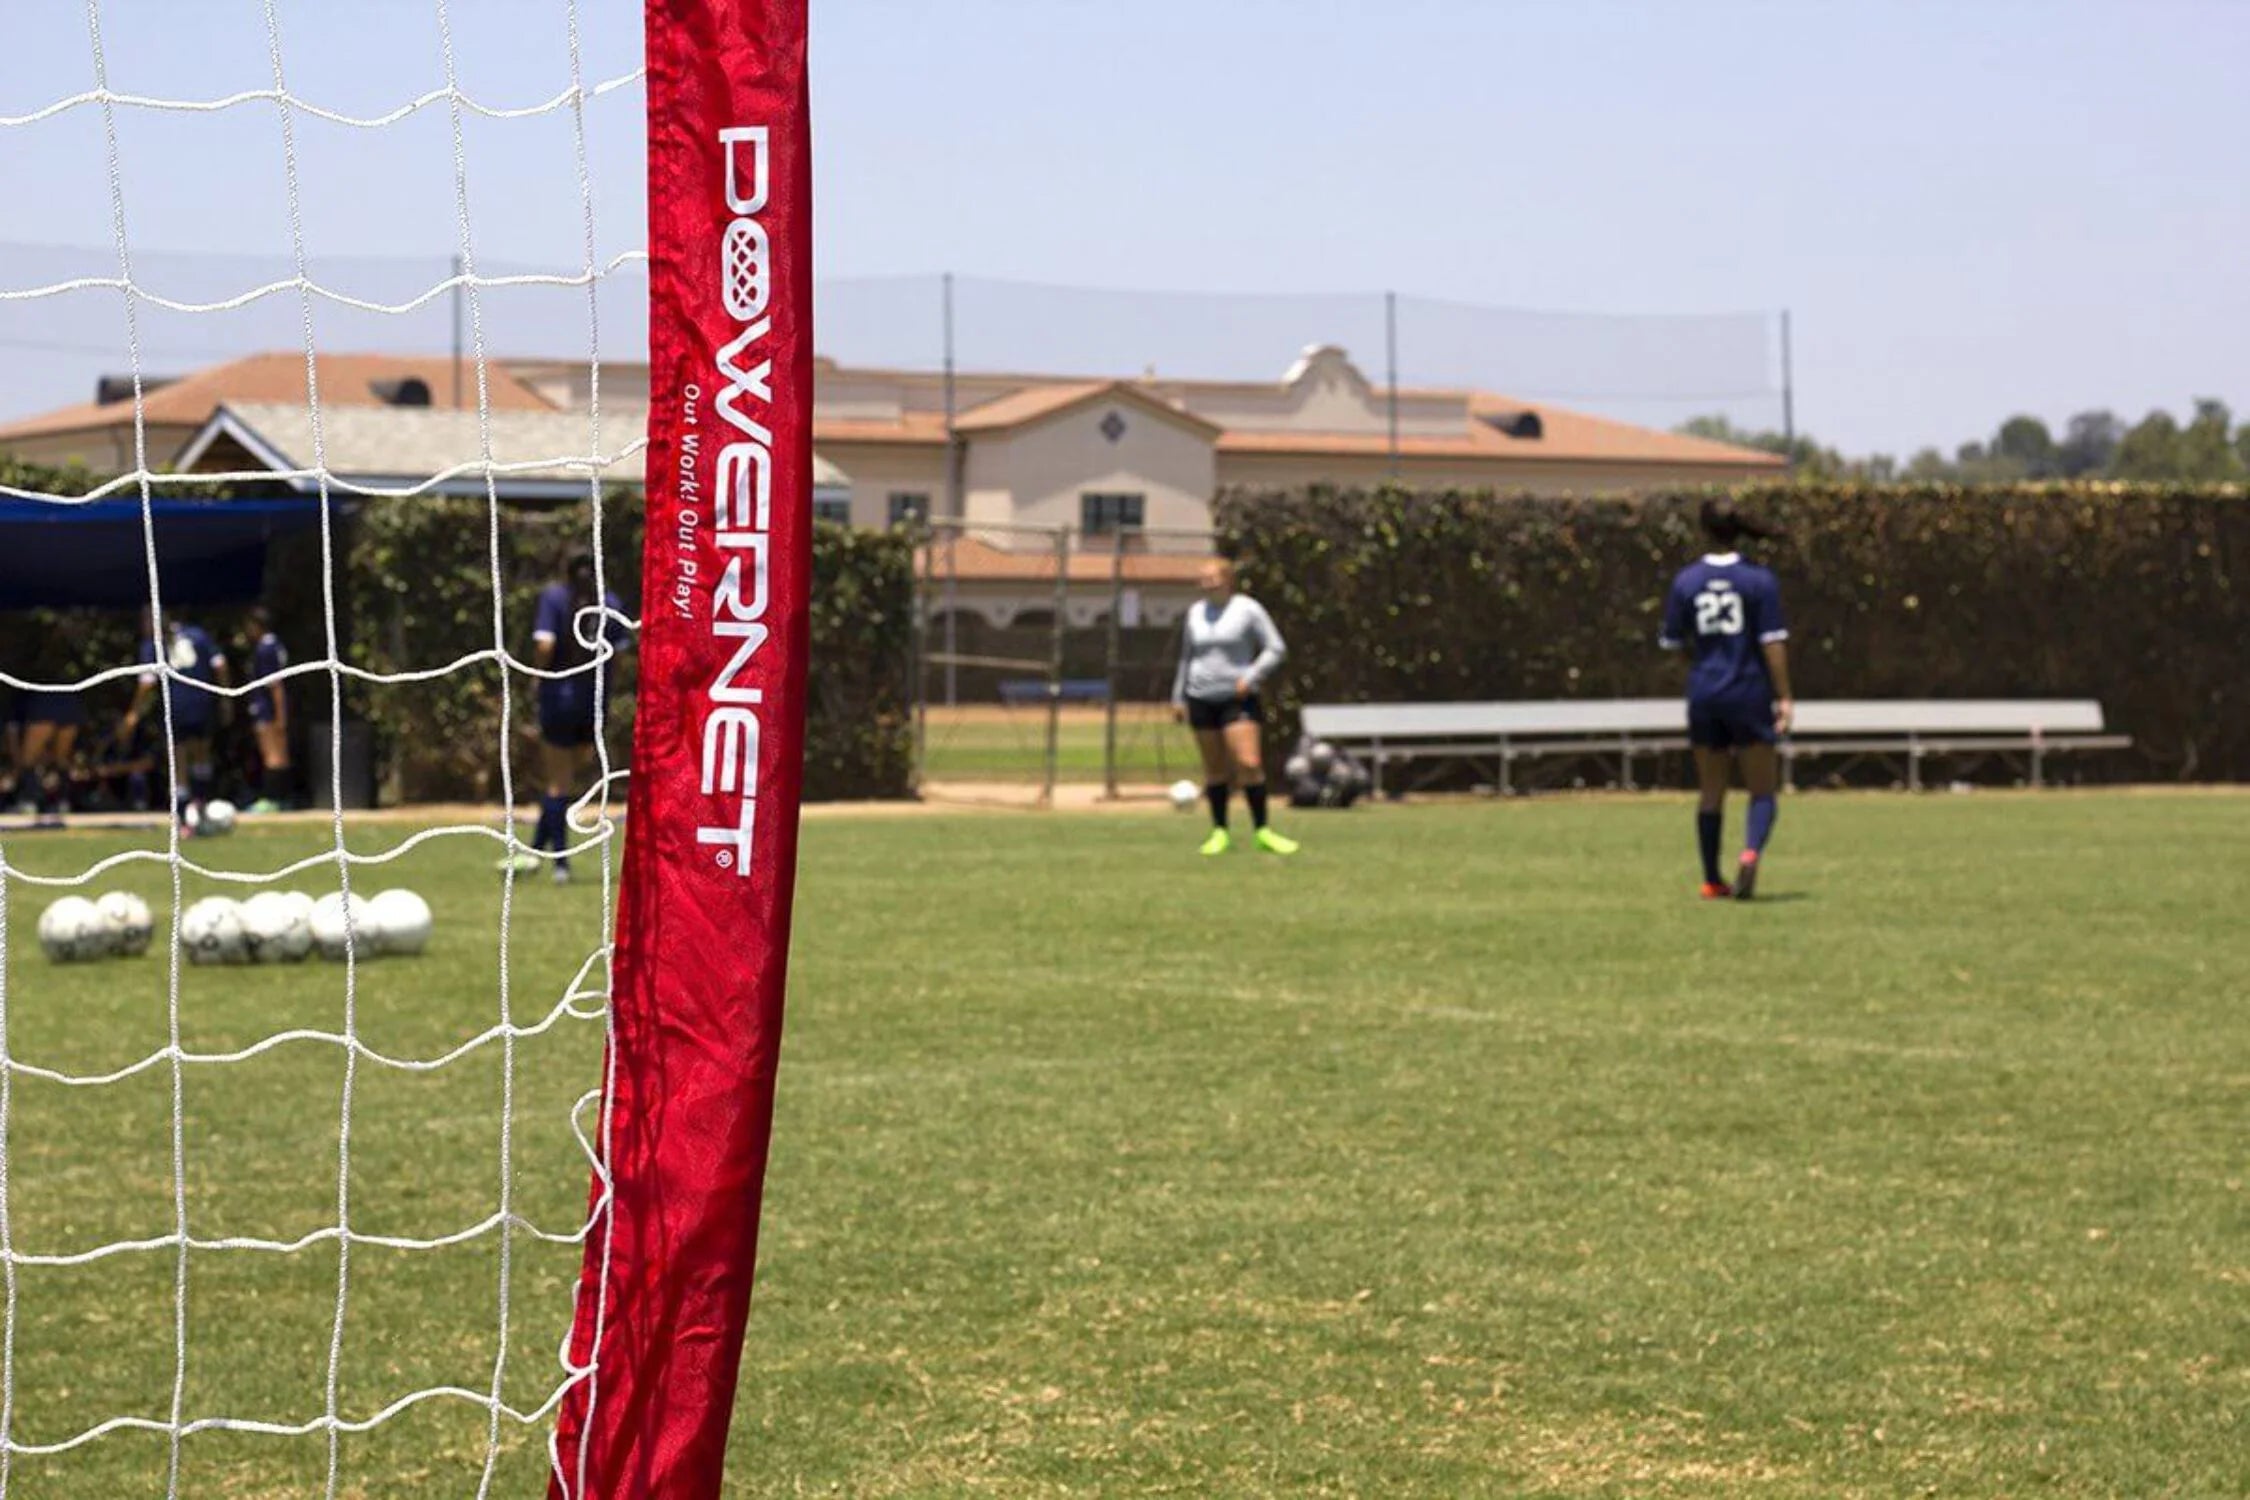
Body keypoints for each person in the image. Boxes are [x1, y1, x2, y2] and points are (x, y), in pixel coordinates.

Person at [1659, 498, 1795, 900]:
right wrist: (1784, 696)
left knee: (1710, 790)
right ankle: (1750, 852)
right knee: (1762, 790)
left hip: (1705, 693)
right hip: (1748, 691)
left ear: (1703, 530)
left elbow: (1672, 642)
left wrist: (1701, 663)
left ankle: (1711, 879)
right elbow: (1772, 644)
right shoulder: (1759, 580)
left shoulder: (1686, 581)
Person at [502, 549, 626, 884]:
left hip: (559, 697)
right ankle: (535, 851)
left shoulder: (555, 597)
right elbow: (622, 652)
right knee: (571, 776)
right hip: (594, 699)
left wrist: (538, 675)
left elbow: (544, 644)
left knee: (558, 782)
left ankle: (559, 864)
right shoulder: (610, 602)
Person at [1170, 558, 1299, 857]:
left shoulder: (1248, 609)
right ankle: (1220, 833)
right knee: (1215, 771)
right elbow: (1186, 658)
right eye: (1202, 579)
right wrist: (1178, 696)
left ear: (1228, 580)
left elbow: (1275, 648)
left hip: (1237, 699)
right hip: (1200, 697)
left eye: (1212, 578)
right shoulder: (1195, 613)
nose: (1207, 583)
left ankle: (1263, 832)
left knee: (1249, 763)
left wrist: (1251, 676)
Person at [123, 607, 232, 835]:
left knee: (179, 762)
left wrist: (133, 712)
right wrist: (224, 696)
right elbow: (220, 664)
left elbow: (146, 682)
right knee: (202, 756)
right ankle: (200, 809)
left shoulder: (153, 644)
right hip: (202, 702)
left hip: (177, 705)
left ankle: (183, 821)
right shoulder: (198, 634)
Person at [241, 605, 295, 813]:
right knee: (279, 754)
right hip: (269, 707)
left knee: (272, 755)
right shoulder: (275, 645)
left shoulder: (265, 648)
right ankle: (283, 799)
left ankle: (273, 800)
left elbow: (275, 684)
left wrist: (281, 715)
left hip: (266, 708)